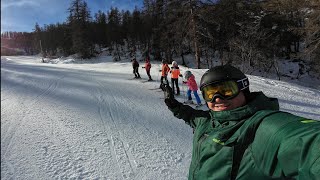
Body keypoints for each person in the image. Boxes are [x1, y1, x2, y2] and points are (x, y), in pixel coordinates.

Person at [163, 65, 320, 180]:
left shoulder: (262, 127)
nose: (217, 99)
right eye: (210, 93)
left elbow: (306, 142)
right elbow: (191, 116)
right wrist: (174, 105)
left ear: (243, 88)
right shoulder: (207, 120)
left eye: (226, 90)